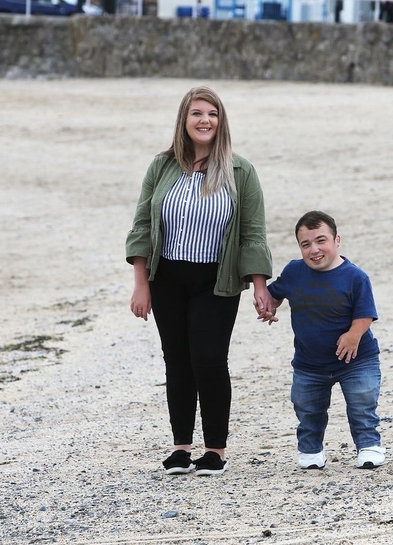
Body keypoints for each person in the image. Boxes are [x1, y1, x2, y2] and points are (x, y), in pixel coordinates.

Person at [126, 86, 274, 476]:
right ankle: (181, 448)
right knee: (176, 360)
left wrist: (260, 286)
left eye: (212, 113)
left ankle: (215, 451)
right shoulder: (162, 166)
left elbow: (253, 233)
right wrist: (141, 283)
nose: (205, 120)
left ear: (221, 121)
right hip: (167, 277)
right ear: (184, 120)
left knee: (208, 359)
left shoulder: (240, 171)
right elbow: (142, 225)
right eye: (197, 113)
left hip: (216, 279)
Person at [256, 211, 385, 470]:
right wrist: (269, 305)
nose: (314, 249)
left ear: (337, 240)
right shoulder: (294, 271)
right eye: (306, 244)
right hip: (309, 363)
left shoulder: (355, 277)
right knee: (307, 409)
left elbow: (365, 314)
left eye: (321, 240)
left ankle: (369, 445)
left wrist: (353, 335)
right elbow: (277, 293)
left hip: (356, 360)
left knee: (362, 403)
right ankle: (311, 449)